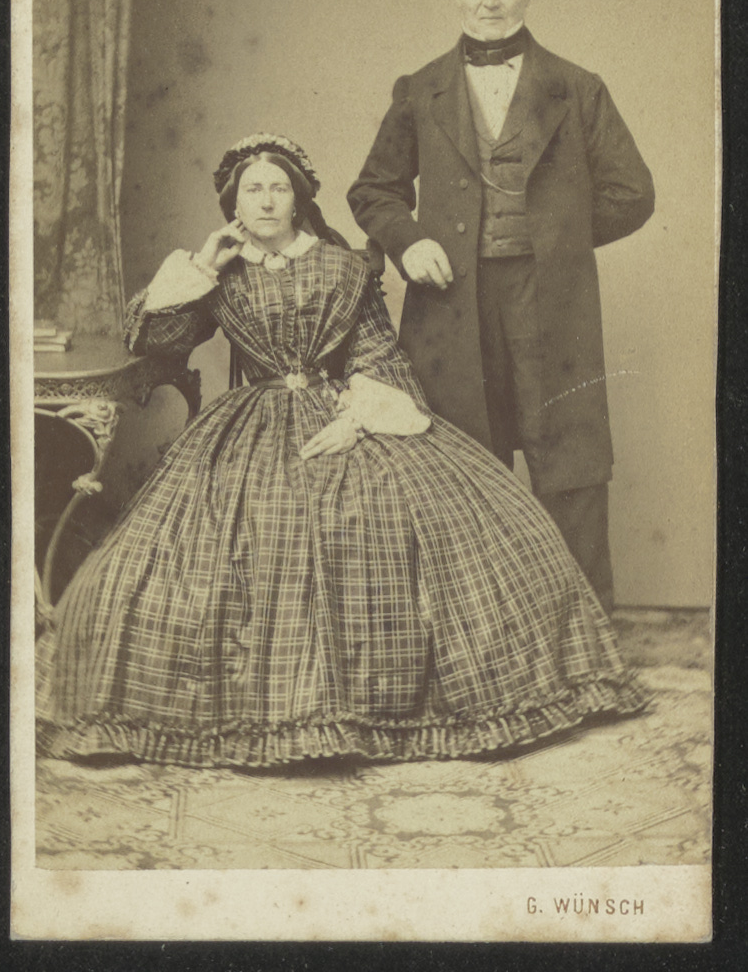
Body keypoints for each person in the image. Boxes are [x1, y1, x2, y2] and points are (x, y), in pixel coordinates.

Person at [36, 133, 646, 770]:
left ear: (298, 200)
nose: (266, 201)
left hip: (341, 412)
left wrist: (357, 418)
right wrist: (203, 267)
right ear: (234, 204)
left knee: (388, 521)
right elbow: (154, 341)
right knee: (185, 554)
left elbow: (381, 355)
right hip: (249, 425)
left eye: (278, 188)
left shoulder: (342, 267)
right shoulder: (222, 270)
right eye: (252, 190)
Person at [347, 0, 655, 613]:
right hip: (450, 302)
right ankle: (471, 635)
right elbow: (374, 190)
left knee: (568, 458)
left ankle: (582, 638)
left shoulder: (577, 87)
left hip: (550, 300)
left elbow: (632, 194)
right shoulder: (420, 89)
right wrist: (408, 242)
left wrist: (557, 241)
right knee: (458, 456)